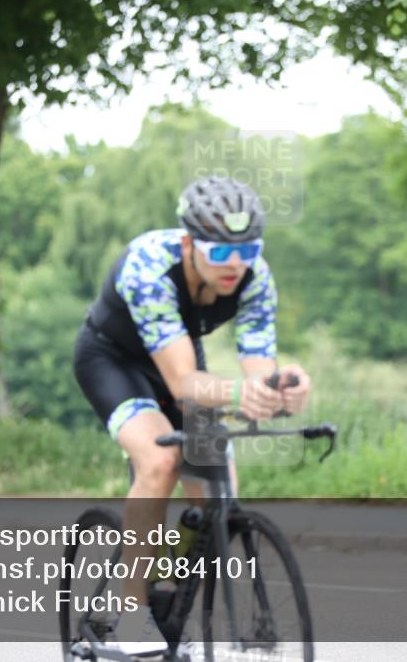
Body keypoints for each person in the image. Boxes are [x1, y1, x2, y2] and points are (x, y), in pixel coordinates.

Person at [73, 176, 312, 657]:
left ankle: (169, 584)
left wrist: (279, 387)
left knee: (219, 493)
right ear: (188, 244)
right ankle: (131, 617)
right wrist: (238, 392)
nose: (235, 267)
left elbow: (257, 369)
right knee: (160, 463)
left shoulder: (255, 276)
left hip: (181, 362)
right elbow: (183, 384)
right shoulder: (149, 269)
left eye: (247, 252)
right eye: (220, 254)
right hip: (114, 362)